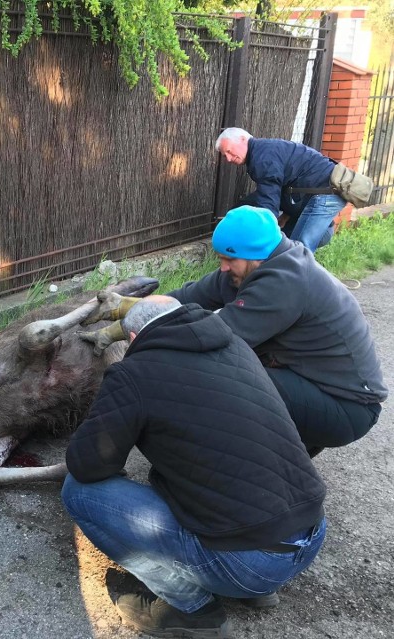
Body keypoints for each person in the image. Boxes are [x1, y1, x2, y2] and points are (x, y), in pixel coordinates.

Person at [63, 295, 327, 639]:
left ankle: (192, 610)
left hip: (250, 563)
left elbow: (87, 465)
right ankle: (256, 590)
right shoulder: (238, 347)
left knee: (78, 492)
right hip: (312, 532)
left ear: (132, 339)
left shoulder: (133, 374)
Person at [165, 205, 387, 456]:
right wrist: (128, 306)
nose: (223, 267)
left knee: (222, 375)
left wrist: (152, 338)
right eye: (221, 258)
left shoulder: (285, 280)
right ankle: (286, 451)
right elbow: (184, 298)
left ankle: (231, 461)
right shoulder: (250, 267)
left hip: (347, 408)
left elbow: (212, 336)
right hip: (311, 383)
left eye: (229, 259)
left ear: (256, 255)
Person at [215, 127, 345, 252]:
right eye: (224, 155)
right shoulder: (263, 151)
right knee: (285, 238)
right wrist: (285, 216)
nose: (228, 158)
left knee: (299, 249)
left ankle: (288, 270)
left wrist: (265, 235)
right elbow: (292, 184)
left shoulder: (262, 158)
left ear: (243, 139)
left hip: (327, 192)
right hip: (318, 192)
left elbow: (268, 201)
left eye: (229, 151)